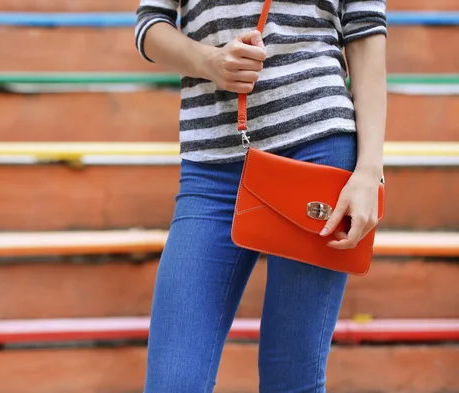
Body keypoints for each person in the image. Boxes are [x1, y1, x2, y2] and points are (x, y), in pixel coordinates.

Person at [134, 0, 387, 392]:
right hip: (212, 165)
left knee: (291, 378)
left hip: (316, 151)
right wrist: (210, 61)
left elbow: (365, 31)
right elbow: (150, 23)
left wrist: (370, 170)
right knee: (172, 382)